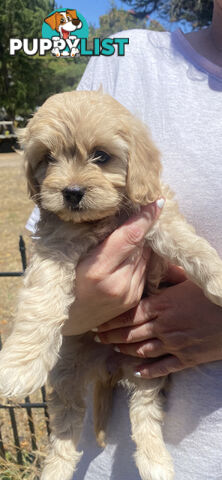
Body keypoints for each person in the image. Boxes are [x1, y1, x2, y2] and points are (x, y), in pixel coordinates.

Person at [26, 1, 222, 478]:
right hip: (109, 463)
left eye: (101, 157)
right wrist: (76, 310)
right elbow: (48, 232)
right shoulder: (125, 56)